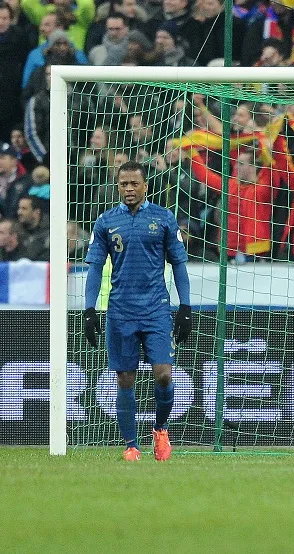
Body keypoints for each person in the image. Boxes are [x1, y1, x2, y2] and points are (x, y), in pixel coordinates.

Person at [83, 160, 192, 462]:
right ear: (118, 186)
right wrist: (89, 309)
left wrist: (185, 307)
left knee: (164, 375)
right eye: (123, 184)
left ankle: (160, 429)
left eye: (134, 184)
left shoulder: (164, 218)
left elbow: (179, 264)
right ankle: (131, 445)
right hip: (120, 310)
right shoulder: (106, 221)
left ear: (145, 186)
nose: (129, 189)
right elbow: (94, 267)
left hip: (156, 308)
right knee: (125, 379)